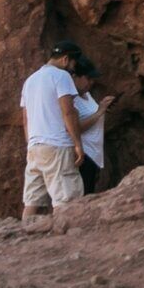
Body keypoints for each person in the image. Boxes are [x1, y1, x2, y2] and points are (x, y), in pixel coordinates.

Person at [18, 42, 91, 218]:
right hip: (57, 146)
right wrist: (78, 144)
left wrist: (31, 144)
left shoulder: (30, 80)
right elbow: (68, 112)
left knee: (32, 201)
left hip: (35, 147)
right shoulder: (61, 77)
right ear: (66, 59)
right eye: (73, 63)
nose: (73, 68)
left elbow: (25, 119)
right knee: (65, 199)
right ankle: (66, 240)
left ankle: (24, 238)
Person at [69, 55, 112, 193]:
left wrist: (102, 107)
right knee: (82, 193)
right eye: (88, 78)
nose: (91, 82)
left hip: (94, 154)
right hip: (83, 153)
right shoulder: (71, 99)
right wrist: (99, 112)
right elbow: (75, 127)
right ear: (75, 77)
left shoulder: (86, 95)